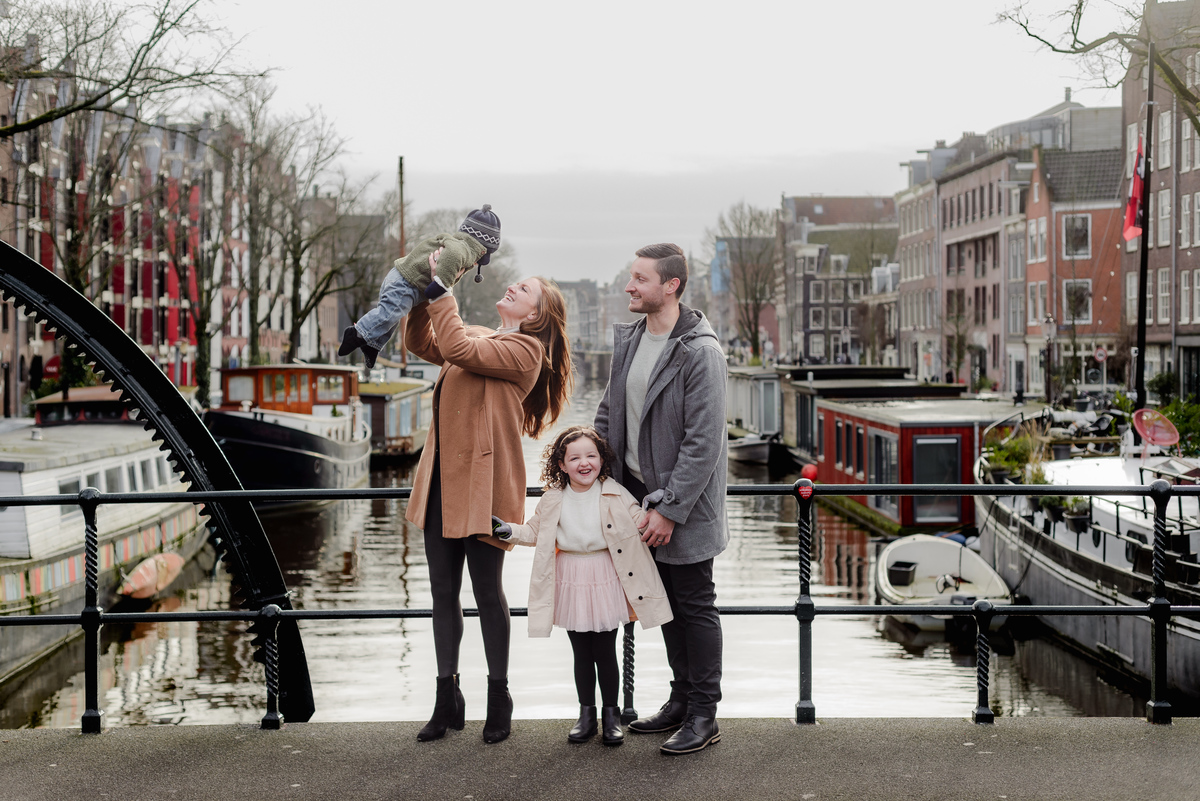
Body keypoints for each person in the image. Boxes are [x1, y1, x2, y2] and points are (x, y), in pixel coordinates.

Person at [404, 261, 573, 745]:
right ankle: (446, 697)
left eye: (525, 289)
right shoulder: (479, 336)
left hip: (486, 485)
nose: (512, 286)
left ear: (537, 315)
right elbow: (424, 343)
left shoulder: (526, 351)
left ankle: (498, 696)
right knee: (441, 592)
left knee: (486, 592)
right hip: (441, 481)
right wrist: (421, 294)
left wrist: (443, 287)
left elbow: (455, 346)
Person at [594, 242, 728, 756]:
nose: (630, 286)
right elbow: (610, 412)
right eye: (631, 277)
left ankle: (703, 715)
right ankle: (679, 699)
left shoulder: (700, 351)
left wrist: (670, 509)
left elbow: (703, 442)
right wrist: (600, 478)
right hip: (636, 501)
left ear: (670, 286)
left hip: (683, 508)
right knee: (666, 605)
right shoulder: (629, 340)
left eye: (640, 279)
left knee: (695, 605)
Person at [491, 426, 673, 747]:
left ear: (601, 460)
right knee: (580, 652)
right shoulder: (552, 499)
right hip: (570, 579)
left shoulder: (614, 491)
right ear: (562, 465)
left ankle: (611, 717)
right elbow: (535, 531)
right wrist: (509, 530)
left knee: (605, 651)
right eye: (574, 458)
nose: (584, 463)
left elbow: (637, 518)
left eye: (591, 455)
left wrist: (653, 509)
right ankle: (586, 715)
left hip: (605, 576)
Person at [339, 205, 502, 369]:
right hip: (405, 283)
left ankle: (372, 345)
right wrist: (440, 287)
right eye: (482, 258)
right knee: (388, 314)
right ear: (481, 250)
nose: (476, 264)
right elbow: (450, 260)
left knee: (392, 320)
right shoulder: (461, 250)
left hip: (402, 279)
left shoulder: (456, 243)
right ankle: (357, 333)